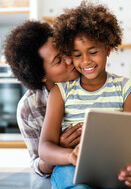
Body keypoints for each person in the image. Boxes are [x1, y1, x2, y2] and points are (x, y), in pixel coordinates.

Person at [39, 1, 131, 189]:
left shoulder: (127, 89)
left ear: (107, 48)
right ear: (69, 56)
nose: (86, 61)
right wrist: (69, 156)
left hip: (115, 167)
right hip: (69, 166)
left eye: (93, 52)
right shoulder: (61, 91)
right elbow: (45, 148)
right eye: (77, 55)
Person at [4, 20, 81, 177]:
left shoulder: (89, 77)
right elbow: (38, 167)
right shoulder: (29, 108)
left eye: (65, 51)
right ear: (41, 76)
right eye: (58, 60)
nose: (69, 60)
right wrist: (56, 149)